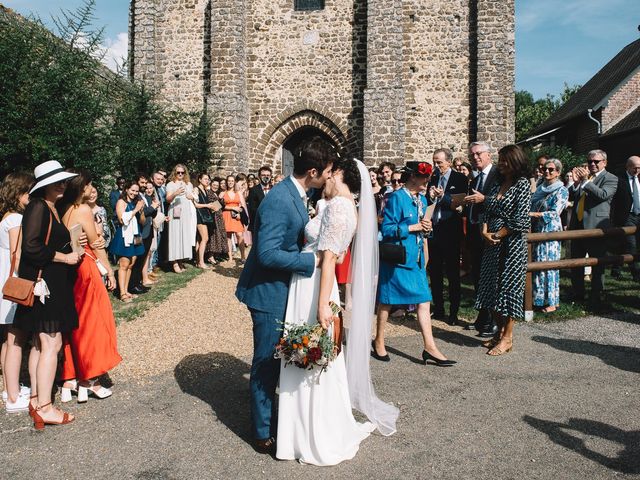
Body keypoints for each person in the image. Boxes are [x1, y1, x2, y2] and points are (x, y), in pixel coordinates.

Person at [276, 157, 399, 465]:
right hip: (315, 281)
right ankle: (302, 428)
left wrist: (320, 305)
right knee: (310, 351)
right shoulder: (343, 207)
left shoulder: (340, 207)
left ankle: (311, 432)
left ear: (341, 176)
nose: (325, 179)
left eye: (331, 174)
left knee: (311, 347)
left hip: (315, 284)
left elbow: (331, 258)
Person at [235, 136, 333, 455]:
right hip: (267, 292)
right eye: (327, 172)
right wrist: (311, 261)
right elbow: (266, 254)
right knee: (266, 361)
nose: (329, 178)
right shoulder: (279, 199)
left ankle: (277, 415)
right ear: (313, 172)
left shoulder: (297, 192)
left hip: (282, 289)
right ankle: (262, 432)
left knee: (279, 357)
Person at [12, 160, 82, 429]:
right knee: (50, 344)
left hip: (49, 285)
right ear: (45, 185)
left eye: (64, 180)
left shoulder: (50, 207)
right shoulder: (39, 207)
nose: (63, 184)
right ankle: (44, 407)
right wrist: (65, 257)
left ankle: (36, 399)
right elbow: (31, 247)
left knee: (41, 345)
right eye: (58, 181)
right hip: (46, 287)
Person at [373, 161, 455, 366]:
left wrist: (426, 228)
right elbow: (388, 229)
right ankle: (379, 341)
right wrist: (413, 227)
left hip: (416, 259)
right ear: (412, 178)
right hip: (397, 259)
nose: (427, 182)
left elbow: (424, 228)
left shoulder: (423, 200)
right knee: (387, 301)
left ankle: (430, 347)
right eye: (424, 178)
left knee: (423, 301)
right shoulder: (396, 198)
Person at [57, 170, 121, 403]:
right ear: (80, 188)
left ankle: (70, 378)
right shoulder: (83, 210)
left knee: (75, 323)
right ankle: (90, 378)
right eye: (88, 185)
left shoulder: (62, 208)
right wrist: (109, 271)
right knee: (93, 321)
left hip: (70, 271)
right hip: (86, 267)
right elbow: (96, 243)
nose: (91, 188)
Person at [475, 145, 532, 356]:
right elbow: (485, 210)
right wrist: (484, 232)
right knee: (490, 287)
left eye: (505, 159)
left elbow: (521, 219)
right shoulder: (497, 182)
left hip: (512, 245)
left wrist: (499, 235)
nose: (501, 163)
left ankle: (507, 338)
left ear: (515, 161)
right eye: (500, 159)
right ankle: (498, 332)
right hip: (491, 243)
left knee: (509, 290)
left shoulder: (522, 184)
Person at [0, 172, 36, 413]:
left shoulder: (6, 217)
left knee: (7, 340)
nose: (30, 197)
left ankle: (8, 388)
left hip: (4, 280)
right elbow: (17, 253)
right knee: (16, 338)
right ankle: (13, 397)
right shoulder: (15, 220)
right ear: (18, 193)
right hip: (14, 284)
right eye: (28, 192)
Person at [568, 149, 618, 303]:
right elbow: (573, 196)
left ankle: (597, 296)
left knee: (597, 264)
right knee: (576, 262)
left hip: (595, 227)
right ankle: (578, 294)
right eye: (590, 161)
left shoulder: (611, 178)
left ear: (605, 162)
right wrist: (576, 184)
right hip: (577, 225)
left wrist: (585, 182)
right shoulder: (585, 177)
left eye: (596, 161)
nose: (592, 164)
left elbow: (603, 195)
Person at [428, 148, 469, 325]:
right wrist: (430, 197)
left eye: (440, 162)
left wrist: (443, 196)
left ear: (449, 162)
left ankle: (453, 312)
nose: (437, 166)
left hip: (450, 231)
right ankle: (438, 309)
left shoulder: (460, 179)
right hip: (434, 230)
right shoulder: (433, 178)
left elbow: (458, 204)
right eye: (434, 162)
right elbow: (429, 203)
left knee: (452, 274)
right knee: (435, 273)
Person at [464, 141, 500, 338]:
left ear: (488, 155)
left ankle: (493, 321)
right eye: (472, 155)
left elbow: (501, 201)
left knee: (490, 279)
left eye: (478, 154)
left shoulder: (496, 175)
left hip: (490, 234)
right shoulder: (476, 178)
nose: (475, 157)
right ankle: (482, 316)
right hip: (475, 233)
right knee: (478, 277)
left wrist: (483, 199)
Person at [530, 159, 569, 313]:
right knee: (538, 264)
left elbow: (555, 212)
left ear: (558, 172)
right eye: (544, 169)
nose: (547, 172)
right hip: (537, 229)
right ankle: (538, 299)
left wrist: (534, 214)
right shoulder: (541, 188)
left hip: (550, 230)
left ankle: (552, 301)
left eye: (551, 170)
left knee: (549, 266)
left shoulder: (562, 190)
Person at [109, 181, 146, 302]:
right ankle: (122, 293)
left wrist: (140, 211)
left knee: (131, 263)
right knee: (124, 264)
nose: (134, 193)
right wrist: (135, 210)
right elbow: (121, 219)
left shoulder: (135, 202)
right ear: (126, 189)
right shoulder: (121, 202)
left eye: (136, 191)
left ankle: (126, 289)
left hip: (136, 235)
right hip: (125, 236)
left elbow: (142, 221)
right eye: (132, 190)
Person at [611, 156, 640, 282]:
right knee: (631, 244)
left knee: (623, 245)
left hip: (638, 215)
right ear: (627, 167)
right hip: (626, 216)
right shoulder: (619, 179)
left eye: (639, 167)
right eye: (635, 167)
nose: (637, 170)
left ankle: (616, 268)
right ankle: (636, 273)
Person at [128, 174, 157, 294]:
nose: (144, 185)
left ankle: (138, 282)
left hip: (148, 230)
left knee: (143, 258)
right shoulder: (136, 196)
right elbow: (142, 212)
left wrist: (153, 209)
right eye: (142, 183)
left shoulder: (146, 196)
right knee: (137, 258)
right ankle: (132, 284)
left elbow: (150, 212)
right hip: (140, 232)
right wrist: (152, 208)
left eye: (146, 183)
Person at [166, 164, 197, 273]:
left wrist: (191, 197)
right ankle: (174, 262)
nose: (180, 174)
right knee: (175, 236)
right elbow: (168, 199)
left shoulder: (188, 184)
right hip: (175, 213)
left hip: (186, 213)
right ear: (174, 172)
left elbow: (193, 197)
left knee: (184, 236)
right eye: (178, 172)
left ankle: (180, 260)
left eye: (182, 172)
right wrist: (175, 193)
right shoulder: (170, 184)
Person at [221, 175, 246, 264]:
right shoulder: (223, 193)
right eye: (229, 181)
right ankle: (230, 257)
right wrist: (232, 208)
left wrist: (239, 212)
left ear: (234, 182)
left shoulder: (238, 192)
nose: (230, 182)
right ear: (227, 182)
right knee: (228, 237)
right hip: (226, 215)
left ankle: (243, 256)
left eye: (232, 181)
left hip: (236, 217)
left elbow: (243, 206)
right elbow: (221, 206)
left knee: (239, 235)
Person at [194, 173, 216, 269]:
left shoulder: (205, 190)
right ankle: (201, 262)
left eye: (208, 179)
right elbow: (196, 204)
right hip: (199, 216)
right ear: (200, 179)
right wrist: (208, 205)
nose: (207, 181)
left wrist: (213, 206)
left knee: (200, 240)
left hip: (205, 216)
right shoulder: (196, 189)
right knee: (205, 238)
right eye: (205, 179)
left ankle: (198, 261)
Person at [205, 177, 228, 263]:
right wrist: (220, 200)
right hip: (213, 217)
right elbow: (212, 207)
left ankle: (215, 255)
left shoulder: (216, 194)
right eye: (214, 185)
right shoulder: (209, 193)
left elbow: (222, 205)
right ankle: (210, 257)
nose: (215, 187)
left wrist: (220, 200)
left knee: (219, 235)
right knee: (213, 237)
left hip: (219, 217)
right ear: (210, 185)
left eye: (217, 185)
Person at [247, 166, 272, 236]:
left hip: (272, 224)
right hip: (258, 223)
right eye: (263, 175)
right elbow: (252, 208)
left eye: (268, 175)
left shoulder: (275, 189)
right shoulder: (254, 190)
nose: (266, 177)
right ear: (259, 176)